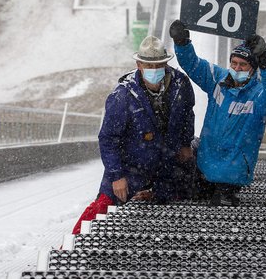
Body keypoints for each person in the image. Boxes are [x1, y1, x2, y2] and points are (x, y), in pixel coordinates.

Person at [71, 36, 195, 234]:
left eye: (159, 65)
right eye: (149, 65)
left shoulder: (180, 85)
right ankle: (70, 248)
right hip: (132, 166)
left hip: (167, 163)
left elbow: (188, 113)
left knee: (170, 214)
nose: (155, 70)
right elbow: (108, 139)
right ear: (139, 64)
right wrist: (117, 176)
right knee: (102, 208)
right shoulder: (123, 95)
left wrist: (186, 143)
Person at [169, 20, 266, 207]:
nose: (237, 68)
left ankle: (224, 193)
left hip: (232, 171)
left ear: (253, 68)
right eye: (234, 63)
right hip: (206, 163)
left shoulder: (259, 95)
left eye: (243, 65)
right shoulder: (218, 79)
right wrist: (182, 43)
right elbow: (193, 65)